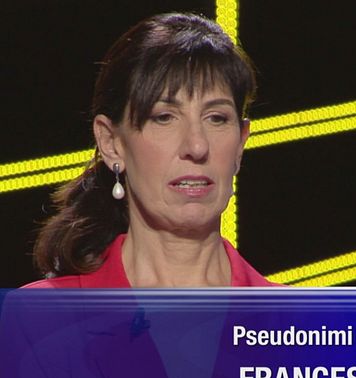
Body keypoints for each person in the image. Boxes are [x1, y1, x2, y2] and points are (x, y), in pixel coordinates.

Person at [24, 12, 278, 288]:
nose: (197, 146)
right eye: (164, 117)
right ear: (111, 143)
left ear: (240, 143)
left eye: (216, 118)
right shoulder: (38, 311)